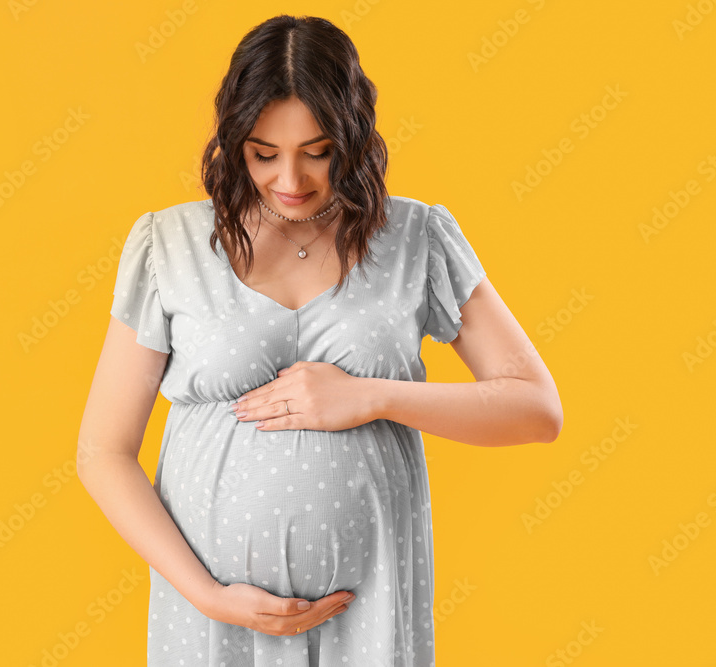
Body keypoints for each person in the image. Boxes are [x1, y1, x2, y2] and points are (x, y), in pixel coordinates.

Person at [77, 14, 562, 666]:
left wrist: (369, 396)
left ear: (354, 136)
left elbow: (536, 407)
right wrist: (208, 595)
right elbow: (102, 451)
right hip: (213, 620)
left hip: (371, 610)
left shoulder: (417, 237)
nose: (290, 180)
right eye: (263, 154)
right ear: (234, 141)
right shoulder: (169, 244)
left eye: (318, 151)